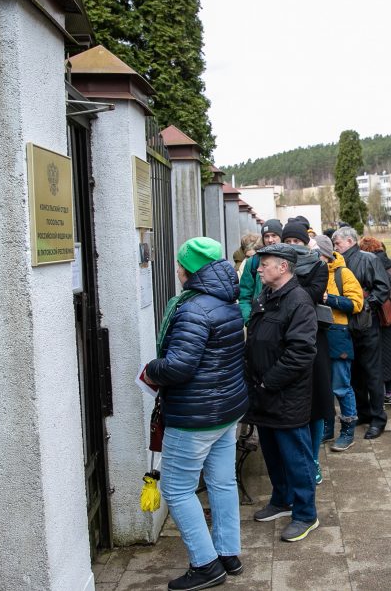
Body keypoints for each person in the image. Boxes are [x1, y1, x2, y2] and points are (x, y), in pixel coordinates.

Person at [145, 237, 249, 591]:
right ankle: (227, 553)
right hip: (226, 411)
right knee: (222, 482)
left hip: (195, 416)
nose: (176, 270)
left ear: (188, 269)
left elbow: (179, 366)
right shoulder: (226, 301)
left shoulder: (192, 309)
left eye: (179, 264)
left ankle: (205, 565)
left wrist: (151, 368)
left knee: (176, 489)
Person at [244, 243, 320, 542]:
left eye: (264, 264)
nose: (259, 268)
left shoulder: (298, 301)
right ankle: (281, 500)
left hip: (285, 395)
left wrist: (268, 382)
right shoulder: (268, 295)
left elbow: (301, 353)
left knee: (296, 457)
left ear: (283, 267)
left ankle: (305, 514)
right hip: (264, 393)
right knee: (273, 454)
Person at [280, 220, 334, 484]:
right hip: (283, 339)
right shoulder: (275, 266)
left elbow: (311, 294)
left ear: (305, 242)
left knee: (317, 404)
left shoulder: (318, 265)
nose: (291, 247)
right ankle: (293, 460)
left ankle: (312, 459)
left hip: (313, 340)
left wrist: (286, 282)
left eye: (296, 242)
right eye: (287, 242)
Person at [331, 226, 390, 439]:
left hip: (366, 324)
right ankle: (363, 413)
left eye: (337, 243)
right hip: (345, 325)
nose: (335, 247)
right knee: (354, 372)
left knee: (372, 373)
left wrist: (366, 305)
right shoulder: (338, 262)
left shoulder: (369, 259)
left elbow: (383, 288)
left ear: (349, 241)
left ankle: (378, 418)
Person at [314, 234, 364, 451]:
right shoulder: (310, 273)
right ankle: (327, 429)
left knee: (341, 386)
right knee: (323, 387)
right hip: (317, 336)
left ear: (324, 254)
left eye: (315, 254)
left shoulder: (343, 273)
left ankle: (347, 431)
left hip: (338, 335)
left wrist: (328, 299)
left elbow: (356, 303)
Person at [358, 236, 391, 406]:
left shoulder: (370, 263)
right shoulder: (389, 261)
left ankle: (377, 393)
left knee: (375, 354)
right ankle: (390, 392)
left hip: (377, 315)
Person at [239, 219, 282, 323]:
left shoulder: (290, 260)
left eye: (274, 235)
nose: (270, 240)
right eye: (266, 236)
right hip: (259, 322)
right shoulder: (253, 262)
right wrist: (249, 321)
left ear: (281, 237)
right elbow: (244, 296)